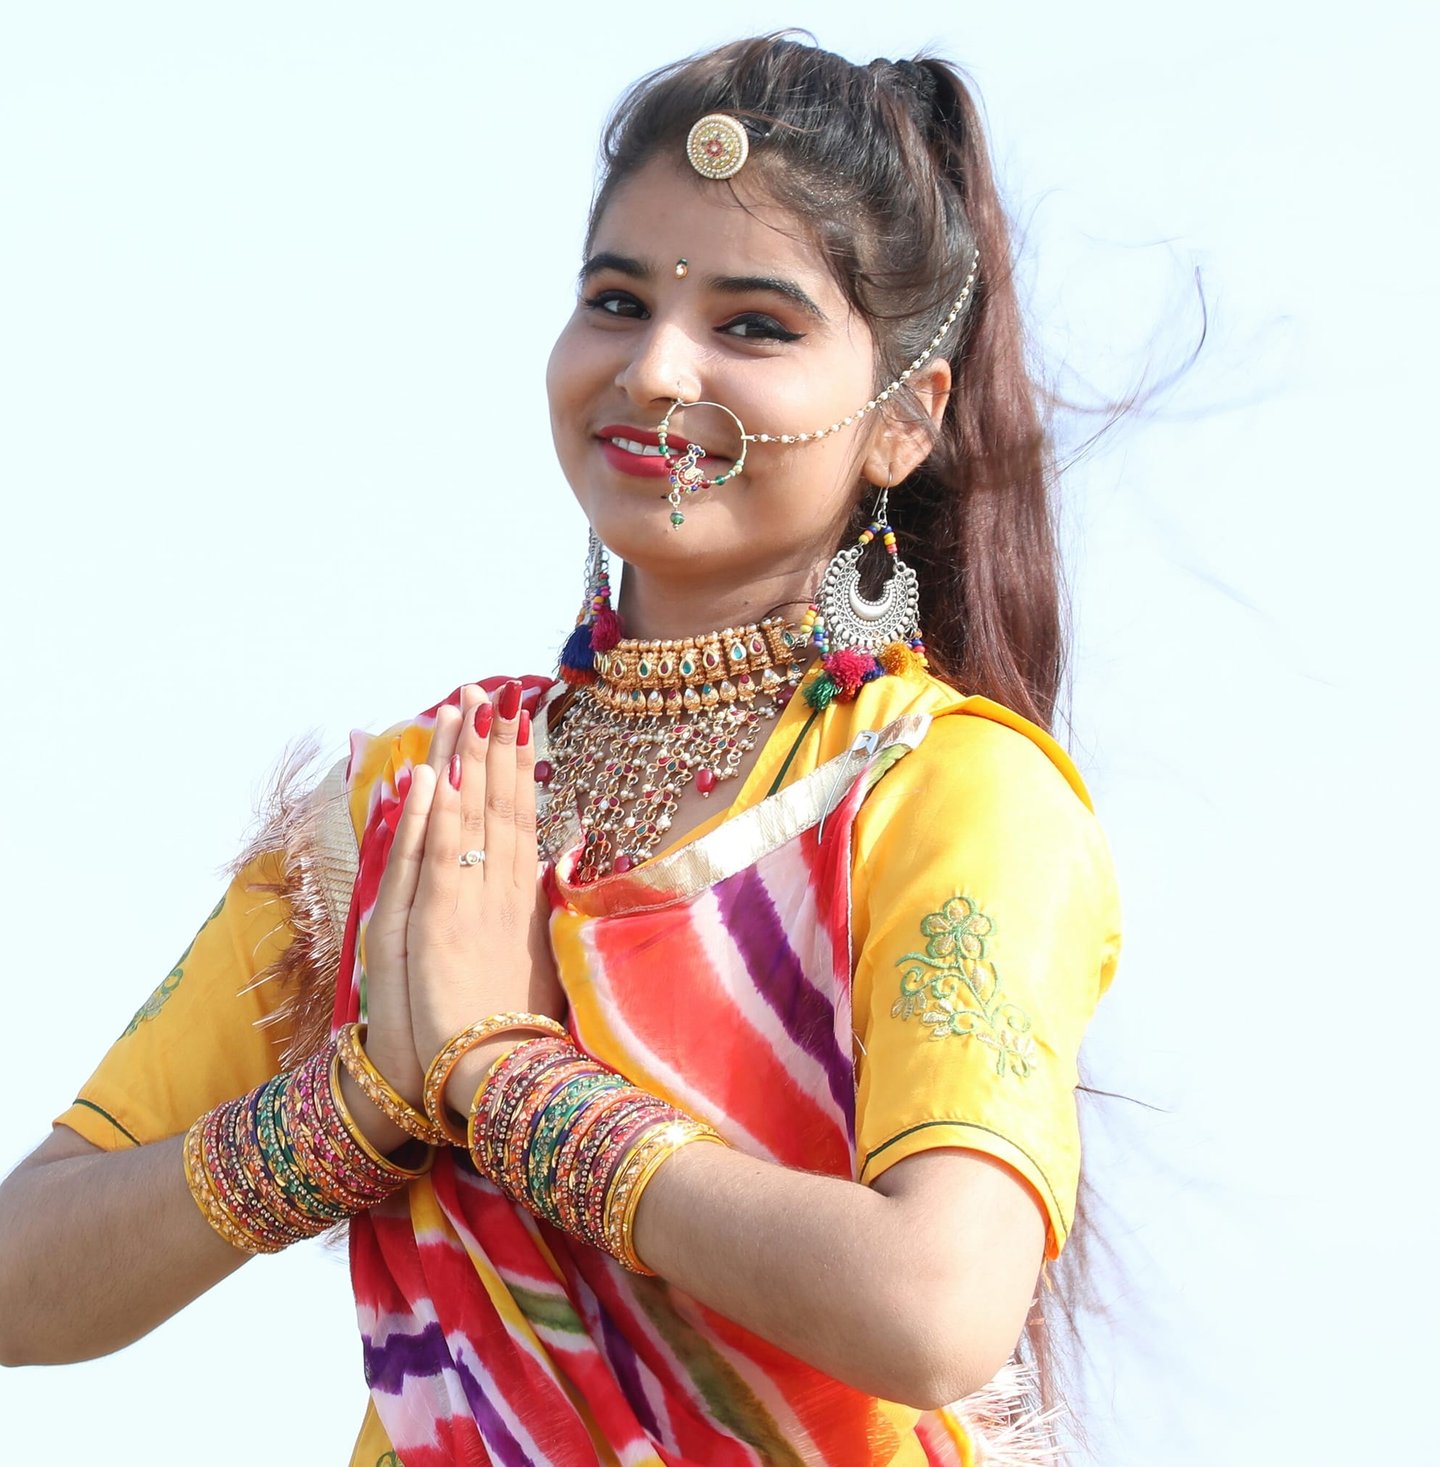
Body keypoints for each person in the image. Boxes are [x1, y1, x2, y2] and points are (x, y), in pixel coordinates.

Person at [0, 34, 1120, 1467]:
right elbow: (24, 1275)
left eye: (752, 325)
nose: (654, 369)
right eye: (617, 301)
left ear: (904, 417)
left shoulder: (947, 795)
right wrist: (360, 1099)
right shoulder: (416, 805)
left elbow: (937, 1306)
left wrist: (503, 1084)